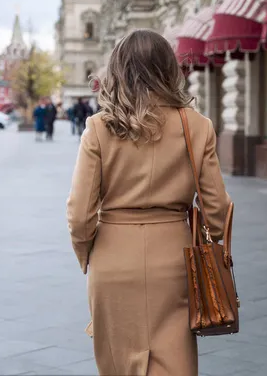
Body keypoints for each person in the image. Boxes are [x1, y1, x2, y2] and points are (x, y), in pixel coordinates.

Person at [66, 29, 231, 376]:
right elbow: (217, 209)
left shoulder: (99, 127)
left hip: (113, 256)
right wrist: (213, 240)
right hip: (174, 257)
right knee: (175, 362)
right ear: (169, 69)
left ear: (117, 70)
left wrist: (87, 254)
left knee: (117, 364)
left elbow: (80, 213)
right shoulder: (196, 126)